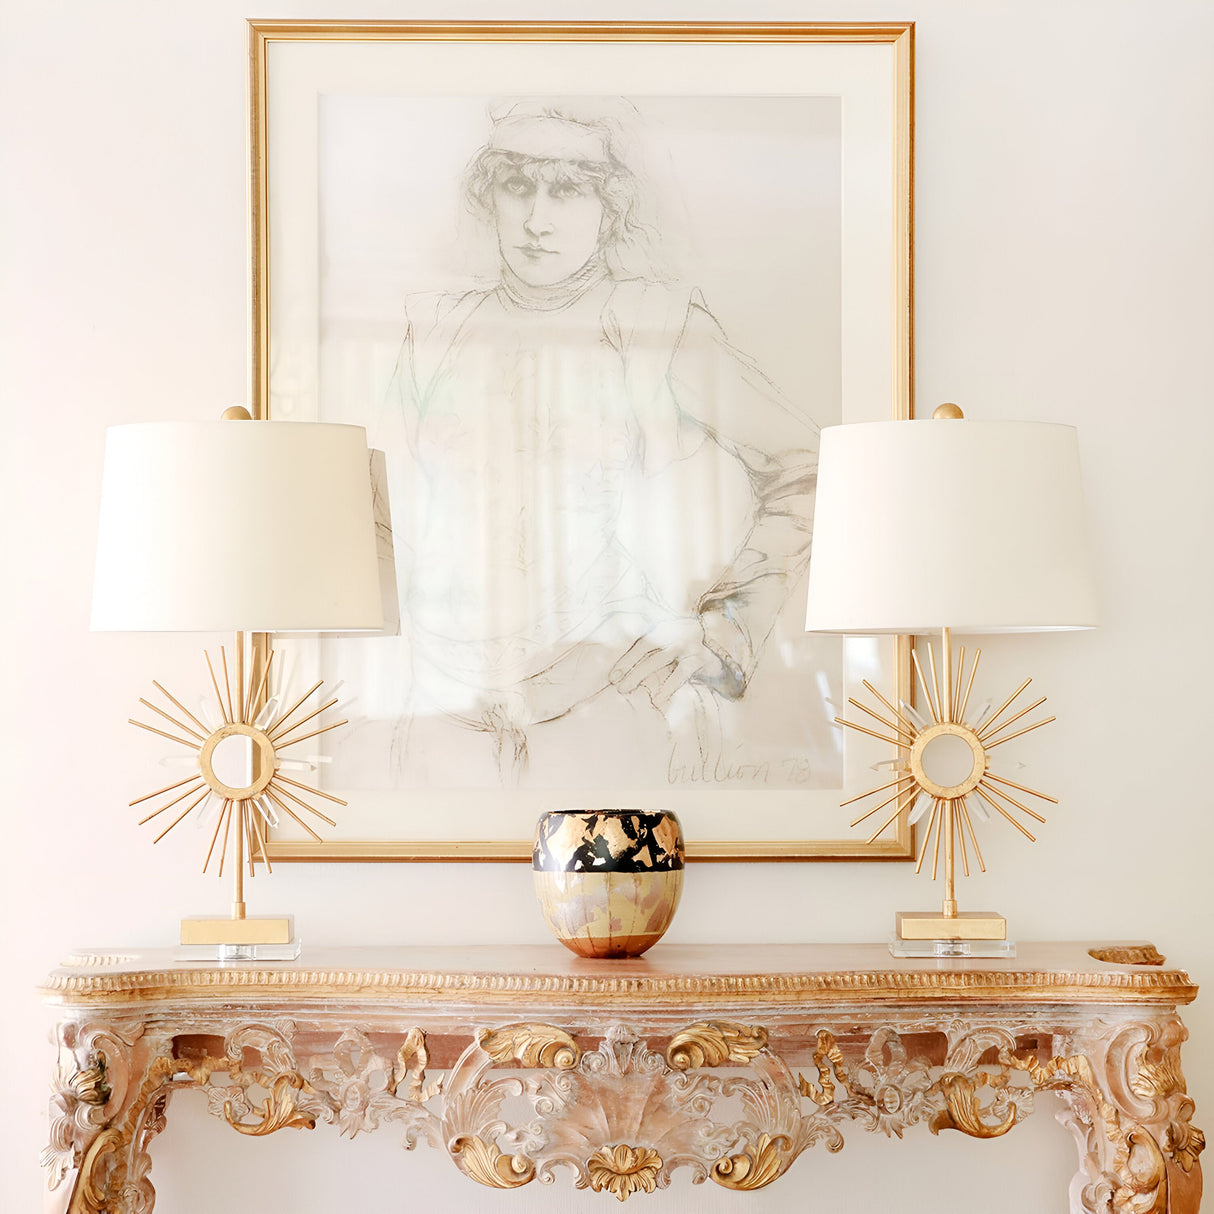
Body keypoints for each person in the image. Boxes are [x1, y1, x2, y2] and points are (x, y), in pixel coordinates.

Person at [384, 99, 820, 781]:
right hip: (444, 701)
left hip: (609, 701)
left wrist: (722, 632)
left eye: (567, 190)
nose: (536, 218)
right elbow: (379, 514)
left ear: (608, 208)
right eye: (518, 186)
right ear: (489, 194)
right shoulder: (432, 331)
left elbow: (810, 468)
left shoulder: (656, 323)